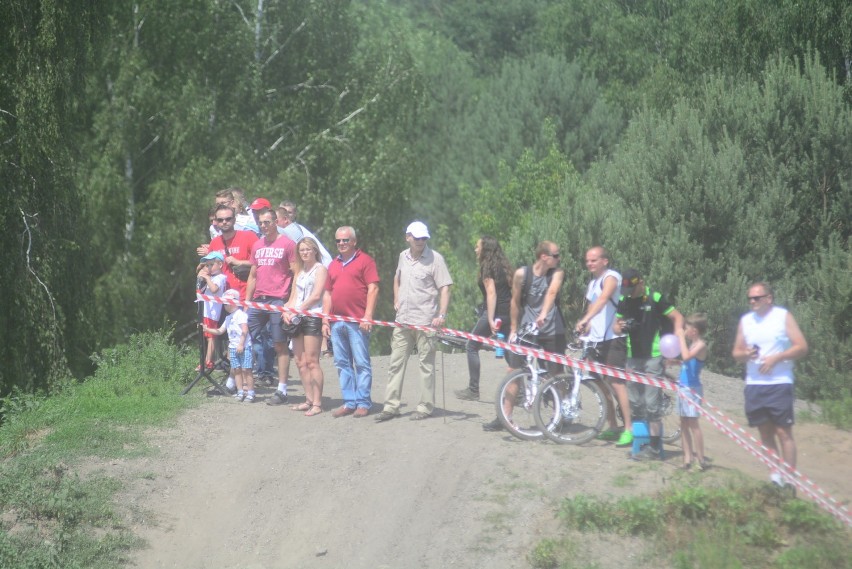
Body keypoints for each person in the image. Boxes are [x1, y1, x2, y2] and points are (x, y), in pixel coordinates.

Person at [483, 241, 566, 432]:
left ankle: (559, 416)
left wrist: (544, 313)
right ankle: (504, 416)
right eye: (556, 255)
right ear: (544, 256)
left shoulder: (557, 273)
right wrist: (513, 328)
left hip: (553, 330)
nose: (559, 258)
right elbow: (515, 302)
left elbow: (552, 292)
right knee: (513, 371)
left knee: (556, 374)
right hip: (528, 329)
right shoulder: (522, 274)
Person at [732, 281, 808, 488]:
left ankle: (790, 479)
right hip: (755, 383)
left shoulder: (783, 317)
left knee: (784, 432)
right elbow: (736, 353)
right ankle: (775, 476)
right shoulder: (746, 320)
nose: (752, 302)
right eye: (749, 298)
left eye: (756, 297)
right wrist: (745, 354)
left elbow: (802, 346)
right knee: (765, 433)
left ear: (769, 298)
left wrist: (778, 357)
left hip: (779, 382)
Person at [375, 221, 452, 422]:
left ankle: (425, 407)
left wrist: (441, 315)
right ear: (408, 237)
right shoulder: (403, 256)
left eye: (424, 238)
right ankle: (391, 406)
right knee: (395, 363)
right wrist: (396, 299)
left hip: (426, 321)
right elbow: (396, 277)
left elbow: (445, 287)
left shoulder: (436, 259)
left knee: (426, 365)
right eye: (417, 238)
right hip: (403, 320)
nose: (420, 241)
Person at [613, 268, 684, 460]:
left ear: (640, 283)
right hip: (632, 356)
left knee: (652, 404)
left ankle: (653, 448)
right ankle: (641, 443)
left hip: (653, 356)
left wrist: (677, 341)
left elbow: (677, 317)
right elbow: (616, 326)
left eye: (631, 289)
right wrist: (619, 327)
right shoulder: (624, 300)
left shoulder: (655, 297)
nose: (628, 293)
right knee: (635, 401)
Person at [575, 246, 632, 447]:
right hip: (597, 339)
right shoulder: (592, 284)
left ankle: (629, 428)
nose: (590, 263)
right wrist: (585, 324)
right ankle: (613, 425)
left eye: (594, 260)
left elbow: (604, 299)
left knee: (616, 382)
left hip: (614, 337)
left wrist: (588, 317)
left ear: (605, 261)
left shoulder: (611, 276)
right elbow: (592, 308)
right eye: (588, 260)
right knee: (599, 381)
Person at [322, 226, 380, 418]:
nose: (341, 244)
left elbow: (373, 289)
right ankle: (349, 401)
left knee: (362, 363)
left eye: (345, 240)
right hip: (337, 322)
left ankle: (363, 402)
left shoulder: (365, 261)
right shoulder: (333, 264)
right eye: (338, 240)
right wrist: (325, 319)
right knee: (341, 363)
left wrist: (368, 316)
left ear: (354, 242)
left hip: (357, 322)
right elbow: (328, 293)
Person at [245, 208, 298, 406]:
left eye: (267, 222)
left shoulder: (288, 244)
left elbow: (296, 273)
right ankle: (244, 383)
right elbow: (253, 275)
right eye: (261, 223)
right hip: (258, 299)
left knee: (279, 344)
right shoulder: (257, 245)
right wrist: (246, 303)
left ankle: (282, 389)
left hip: (278, 299)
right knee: (245, 337)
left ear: (276, 222)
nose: (264, 226)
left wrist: (291, 301)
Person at [455, 236, 513, 403]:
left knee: (471, 345)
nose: (475, 250)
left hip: (496, 313)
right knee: (509, 350)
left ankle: (473, 390)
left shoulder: (487, 267)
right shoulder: (503, 266)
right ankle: (520, 391)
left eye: (477, 247)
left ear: (485, 249)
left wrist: (489, 318)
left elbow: (491, 293)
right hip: (508, 313)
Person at [284, 237, 328, 416]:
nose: (305, 252)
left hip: (312, 316)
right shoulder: (299, 271)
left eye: (308, 249)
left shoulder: (320, 269)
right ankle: (308, 399)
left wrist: (298, 310)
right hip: (297, 317)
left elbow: (316, 295)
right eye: (302, 250)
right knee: (300, 361)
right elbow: (293, 295)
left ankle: (317, 402)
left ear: (315, 250)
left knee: (311, 360)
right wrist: (286, 311)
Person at [203, 289, 255, 402]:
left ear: (234, 302)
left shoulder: (241, 315)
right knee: (236, 369)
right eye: (224, 303)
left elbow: (245, 330)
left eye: (227, 303)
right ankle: (240, 391)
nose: (225, 306)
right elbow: (220, 331)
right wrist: (207, 329)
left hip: (244, 347)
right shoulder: (228, 318)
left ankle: (250, 392)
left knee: (246, 369)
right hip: (233, 347)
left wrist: (241, 344)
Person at [675, 313, 709, 470]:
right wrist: (674, 362)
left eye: (686, 329)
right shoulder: (691, 345)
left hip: (693, 389)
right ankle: (687, 458)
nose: (684, 331)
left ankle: (700, 459)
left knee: (693, 423)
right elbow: (686, 361)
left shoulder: (701, 345)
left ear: (694, 331)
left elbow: (687, 357)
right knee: (683, 423)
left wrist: (681, 338)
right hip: (683, 387)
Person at [197, 251, 228, 371]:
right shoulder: (213, 277)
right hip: (206, 311)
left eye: (211, 265)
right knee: (208, 335)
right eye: (207, 265)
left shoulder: (220, 278)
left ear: (220, 264)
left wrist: (207, 278)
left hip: (212, 312)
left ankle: (208, 361)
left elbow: (214, 289)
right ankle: (207, 360)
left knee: (211, 336)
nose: (208, 268)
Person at [276, 201, 333, 266]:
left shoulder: (297, 230)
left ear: (295, 214)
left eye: (289, 212)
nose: (286, 215)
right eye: (282, 212)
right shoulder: (280, 230)